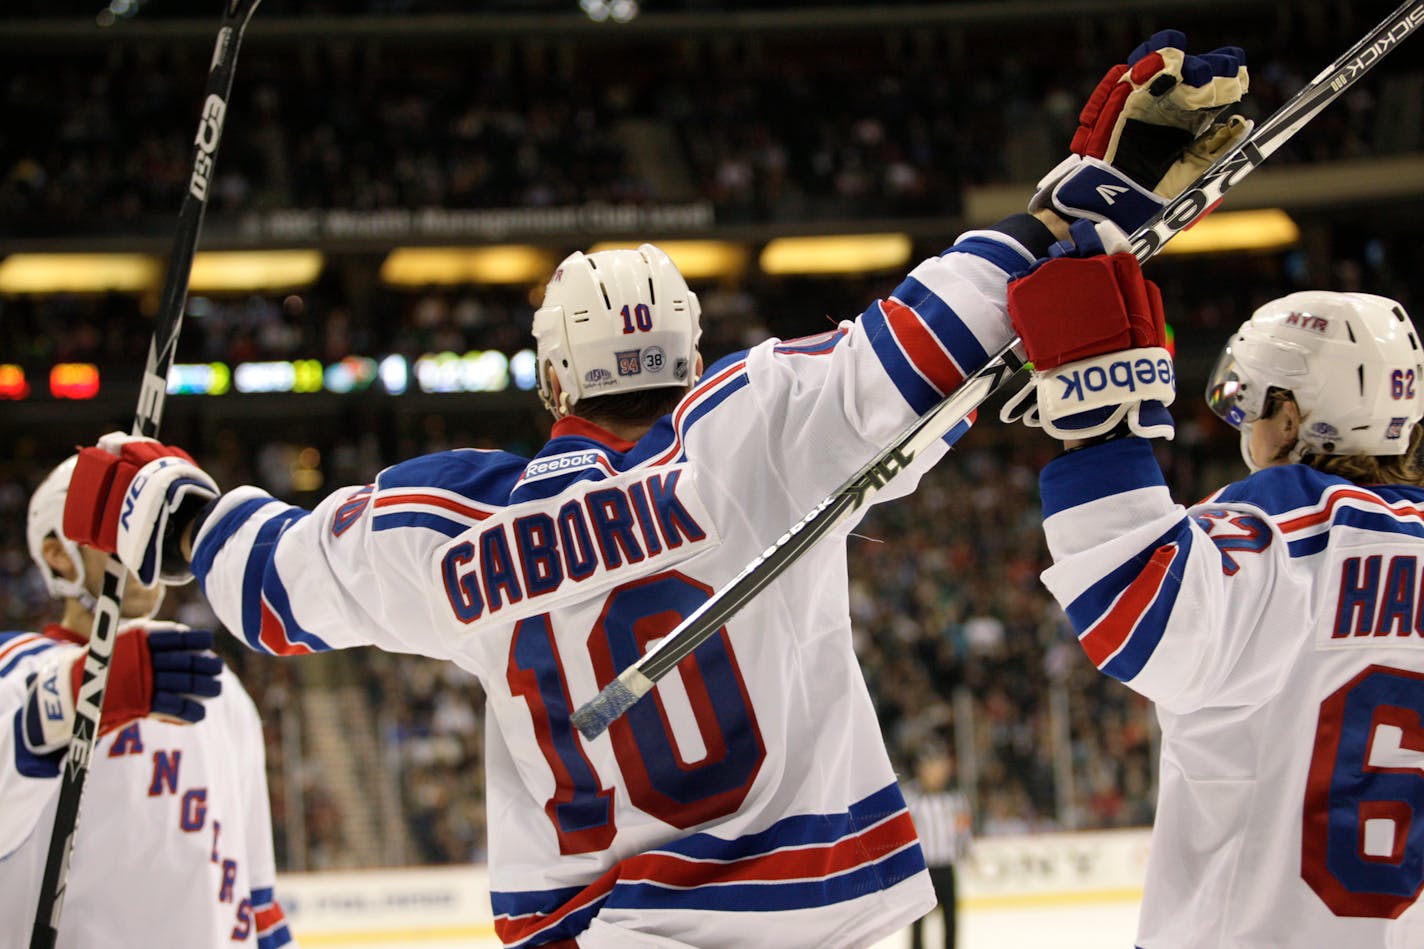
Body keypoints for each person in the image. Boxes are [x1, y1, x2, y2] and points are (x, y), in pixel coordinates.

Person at [60, 34, 1248, 949]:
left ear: (547, 379)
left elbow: (271, 588)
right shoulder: (758, 427)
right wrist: (1089, 195)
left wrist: (165, 507)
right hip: (827, 921)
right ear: (689, 351)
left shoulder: (448, 523)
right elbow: (941, 329)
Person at [1003, 237, 1424, 944]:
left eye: (1248, 402)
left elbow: (1138, 609)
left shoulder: (1285, 524)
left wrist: (1100, 425)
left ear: (1290, 419)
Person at [0, 457, 296, 949]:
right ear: (57, 554)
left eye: (151, 527)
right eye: (116, 528)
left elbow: (255, 894)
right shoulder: (19, 667)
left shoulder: (213, 680)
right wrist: (76, 694)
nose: (140, 548)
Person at [902, 746, 971, 949]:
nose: (936, 772)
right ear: (921, 769)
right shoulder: (910, 798)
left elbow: (963, 829)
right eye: (931, 767)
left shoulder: (955, 798)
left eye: (940, 767)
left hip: (947, 867)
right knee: (918, 921)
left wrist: (967, 852)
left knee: (950, 920)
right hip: (922, 870)